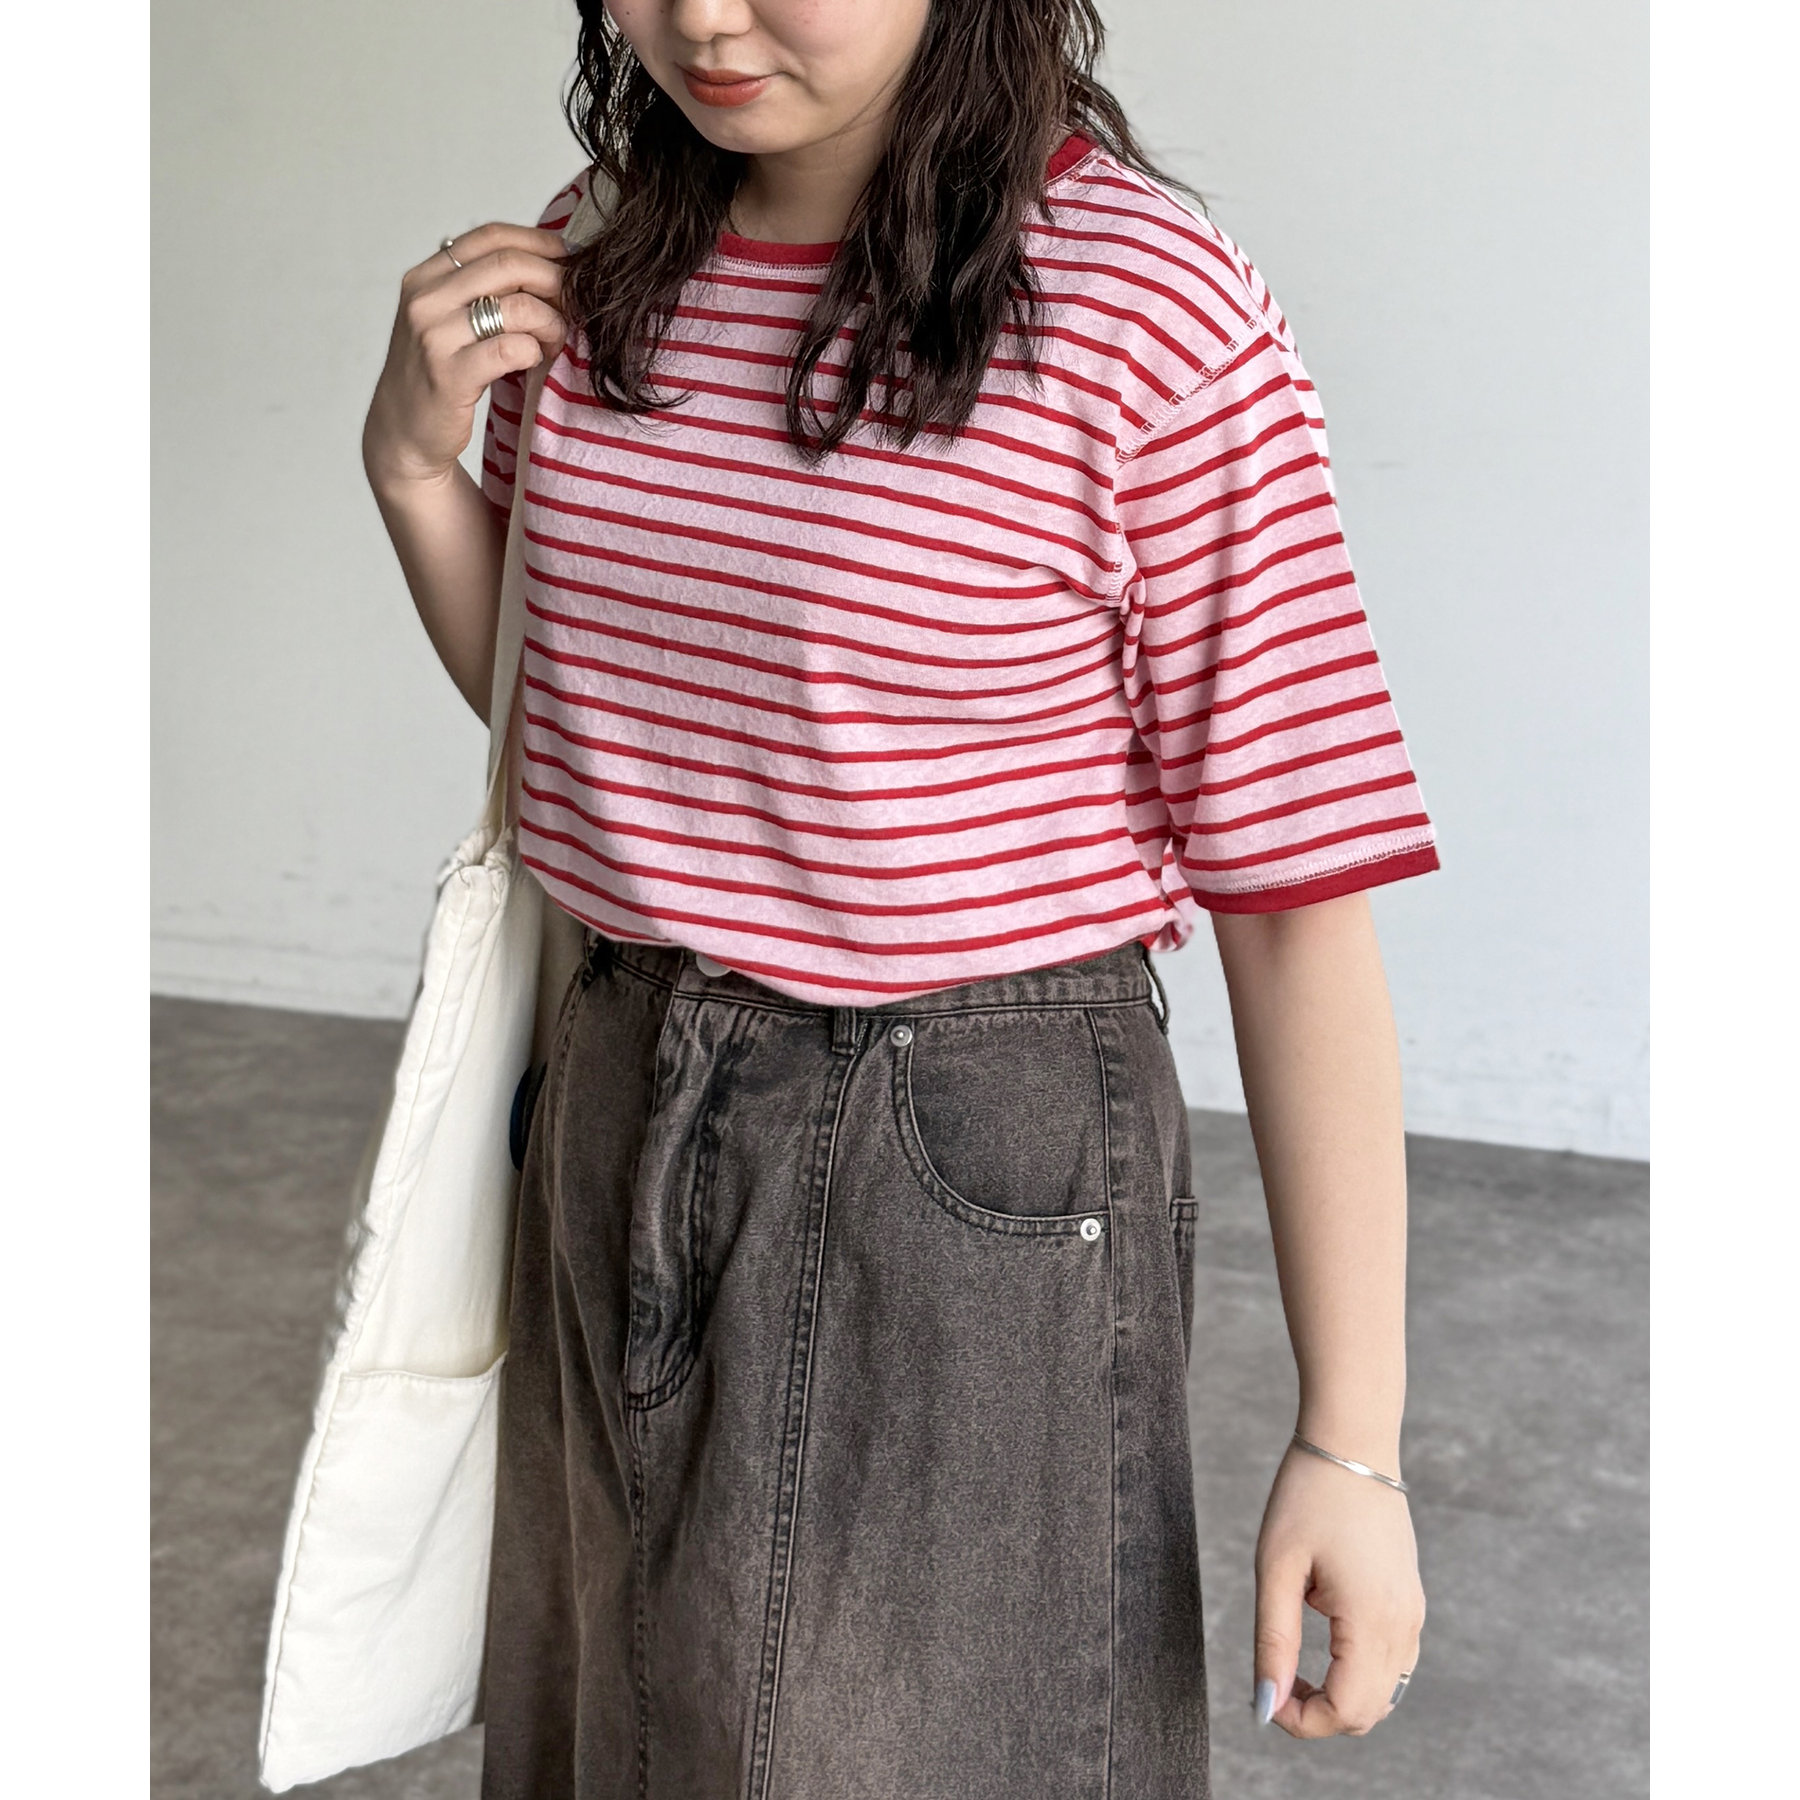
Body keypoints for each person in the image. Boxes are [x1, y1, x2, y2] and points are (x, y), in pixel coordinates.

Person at [361, 3, 1433, 1794]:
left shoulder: (1144, 310)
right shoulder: (599, 247)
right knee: (609, 1731)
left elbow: (1295, 899)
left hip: (957, 1145)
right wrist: (411, 469)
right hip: (615, 1085)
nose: (703, 19)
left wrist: (1355, 1443)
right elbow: (607, 736)